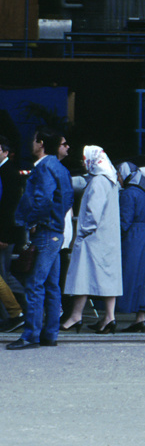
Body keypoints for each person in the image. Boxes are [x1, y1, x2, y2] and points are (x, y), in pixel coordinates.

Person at [7, 130, 73, 350]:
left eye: (33, 140)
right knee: (52, 285)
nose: (30, 144)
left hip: (44, 230)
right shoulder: (60, 168)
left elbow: (42, 198)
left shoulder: (43, 167)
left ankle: (31, 335)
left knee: (35, 284)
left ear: (41, 143)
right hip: (56, 229)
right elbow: (67, 199)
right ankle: (49, 334)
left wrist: (32, 221)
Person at [60, 146, 123, 335]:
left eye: (84, 158)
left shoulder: (97, 181)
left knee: (82, 275)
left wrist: (82, 233)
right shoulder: (110, 179)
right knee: (109, 277)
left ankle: (75, 316)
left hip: (93, 239)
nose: (83, 161)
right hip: (108, 237)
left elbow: (92, 213)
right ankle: (109, 317)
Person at [115, 162, 145, 333]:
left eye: (118, 174)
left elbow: (124, 222)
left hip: (133, 237)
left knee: (127, 275)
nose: (117, 177)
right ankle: (141, 319)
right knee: (144, 278)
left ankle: (110, 316)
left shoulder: (128, 194)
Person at [0, 135, 25, 333]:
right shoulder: (6, 171)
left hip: (4, 233)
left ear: (6, 152)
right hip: (6, 232)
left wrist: (4, 236)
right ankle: (18, 312)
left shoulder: (7, 173)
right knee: (4, 274)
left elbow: (8, 208)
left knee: (4, 274)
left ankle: (17, 312)